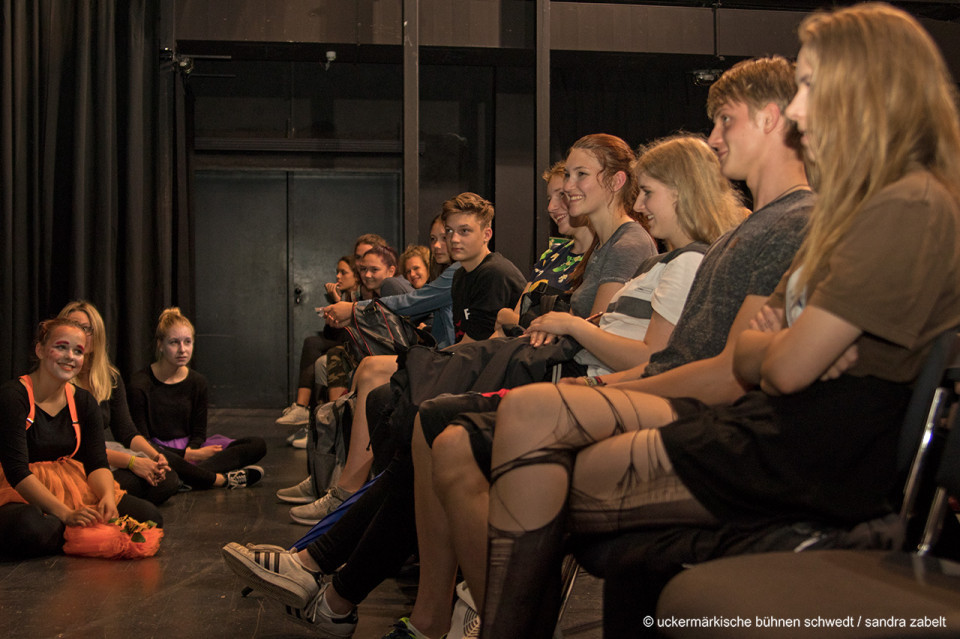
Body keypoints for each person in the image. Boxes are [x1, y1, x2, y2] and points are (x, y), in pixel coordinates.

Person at [480, 4, 960, 636]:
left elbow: (782, 367)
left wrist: (778, 345)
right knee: (566, 482)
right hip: (785, 423)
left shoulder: (906, 204)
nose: (798, 110)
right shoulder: (858, 208)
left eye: (810, 85)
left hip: (818, 450)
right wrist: (780, 343)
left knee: (569, 480)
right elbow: (760, 350)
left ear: (868, 88)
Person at [430, 54, 814, 633]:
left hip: (715, 418)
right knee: (476, 430)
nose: (713, 138)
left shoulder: (788, 223)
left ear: (770, 118)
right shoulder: (743, 233)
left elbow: (730, 370)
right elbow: (707, 357)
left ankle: (498, 622)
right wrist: (614, 381)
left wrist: (608, 384)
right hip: (680, 395)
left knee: (523, 422)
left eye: (724, 120)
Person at [0, 318, 162, 559]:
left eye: (78, 351)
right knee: (30, 525)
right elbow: (17, 472)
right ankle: (70, 531)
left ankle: (69, 534)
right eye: (61, 347)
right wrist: (66, 514)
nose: (70, 356)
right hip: (20, 488)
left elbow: (96, 462)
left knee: (149, 516)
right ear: (40, 350)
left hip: (70, 483)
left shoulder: (84, 401)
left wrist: (107, 498)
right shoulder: (14, 396)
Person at [127, 308, 266, 490]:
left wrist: (194, 451)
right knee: (159, 459)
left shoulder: (197, 381)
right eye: (174, 343)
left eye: (187, 342)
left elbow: (199, 432)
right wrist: (188, 455)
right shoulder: (140, 384)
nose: (182, 350)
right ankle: (211, 478)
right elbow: (142, 441)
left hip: (193, 449)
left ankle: (187, 480)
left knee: (257, 445)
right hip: (158, 451)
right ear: (160, 344)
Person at [57, 300, 179, 506]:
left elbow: (127, 431)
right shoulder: (59, 378)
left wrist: (155, 455)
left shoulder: (109, 377)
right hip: (72, 461)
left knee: (167, 478)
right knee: (136, 481)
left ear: (97, 334)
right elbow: (75, 447)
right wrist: (132, 462)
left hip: (103, 455)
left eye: (86, 328)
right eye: (73, 326)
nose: (80, 334)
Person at [563, 134, 658, 319]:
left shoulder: (628, 246)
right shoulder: (602, 245)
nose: (567, 186)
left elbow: (599, 328)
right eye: (567, 175)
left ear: (616, 181)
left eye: (581, 174)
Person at [495, 162, 595, 332]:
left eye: (562, 195)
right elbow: (519, 313)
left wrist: (511, 319)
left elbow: (515, 320)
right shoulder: (551, 254)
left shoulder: (602, 256)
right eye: (549, 199)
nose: (550, 208)